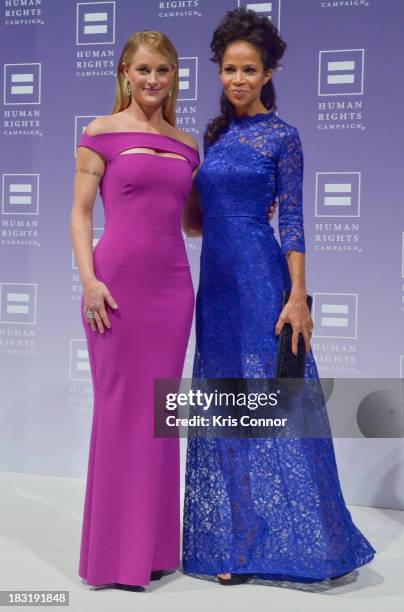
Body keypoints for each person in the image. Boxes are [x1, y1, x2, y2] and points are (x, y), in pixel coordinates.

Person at [181, 8, 376, 586]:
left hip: (263, 282)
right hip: (214, 292)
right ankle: (235, 546)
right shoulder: (215, 137)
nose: (238, 79)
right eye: (229, 69)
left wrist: (297, 297)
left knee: (282, 406)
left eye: (250, 70)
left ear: (268, 74)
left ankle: (317, 542)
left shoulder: (283, 137)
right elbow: (196, 222)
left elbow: (291, 220)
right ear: (219, 72)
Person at [70, 29, 199, 590]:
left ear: (174, 77)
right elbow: (78, 215)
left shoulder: (187, 144)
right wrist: (89, 281)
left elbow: (190, 220)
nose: (152, 80)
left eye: (163, 71)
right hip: (115, 287)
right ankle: (111, 559)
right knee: (121, 412)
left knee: (159, 416)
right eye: (143, 69)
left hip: (173, 291)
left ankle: (152, 551)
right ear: (125, 71)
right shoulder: (99, 133)